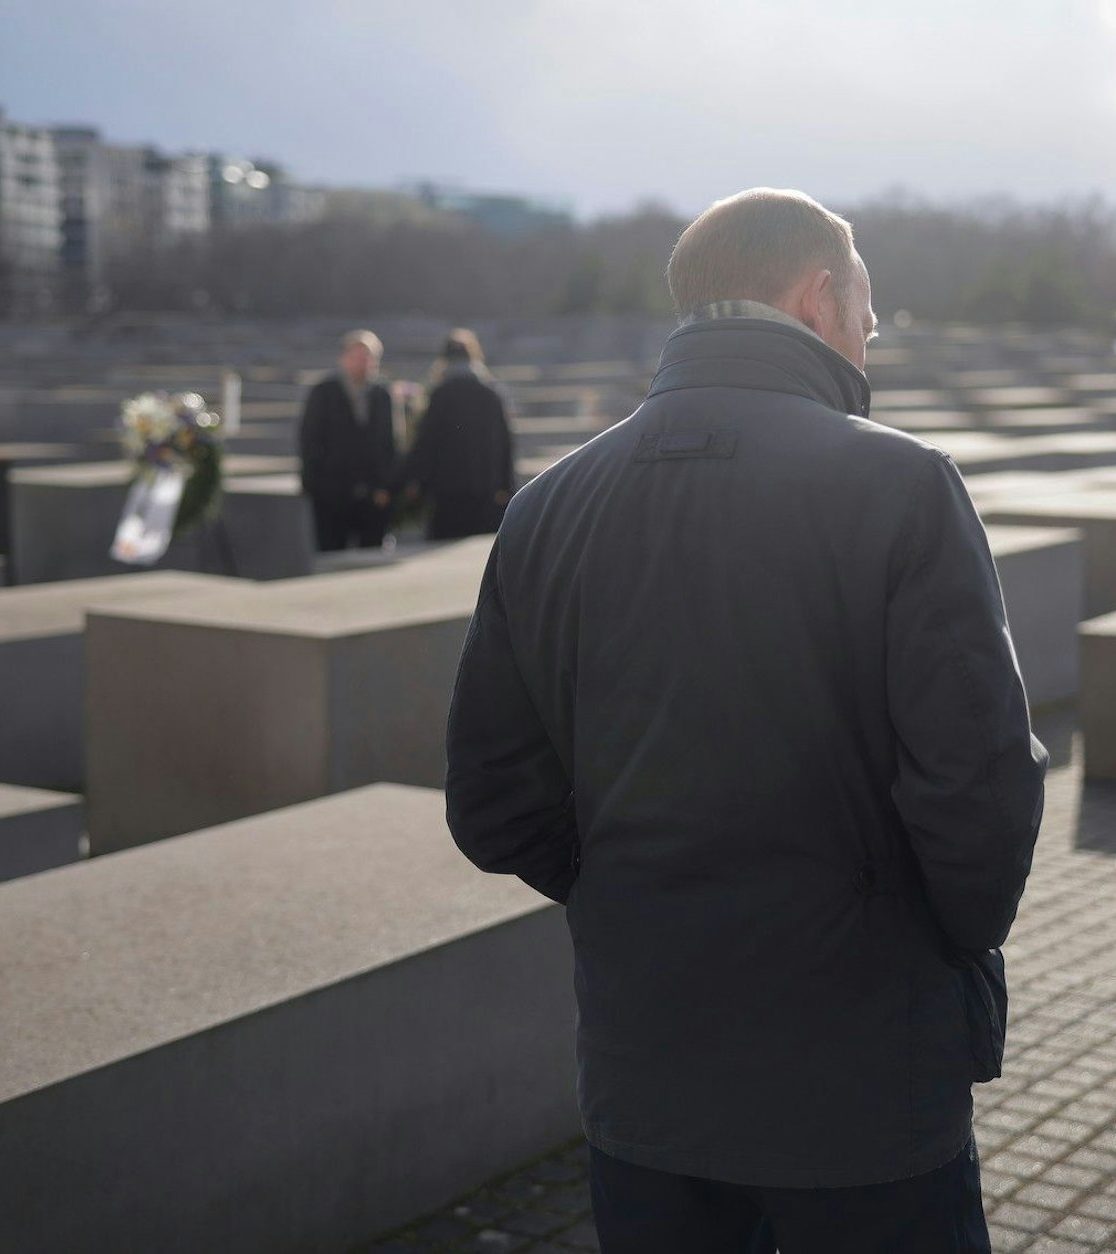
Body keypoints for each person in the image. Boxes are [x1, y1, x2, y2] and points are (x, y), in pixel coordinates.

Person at [445, 188, 1046, 1253]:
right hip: (860, 1084)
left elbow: (494, 805)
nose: (872, 333)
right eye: (869, 306)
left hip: (645, 1077)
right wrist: (924, 943)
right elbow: (980, 787)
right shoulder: (902, 485)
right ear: (819, 296)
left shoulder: (546, 506)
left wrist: (630, 895)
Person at [395, 328, 516, 540]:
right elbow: (505, 442)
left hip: (447, 491)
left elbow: (426, 443)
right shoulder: (490, 394)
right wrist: (507, 485)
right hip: (484, 488)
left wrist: (414, 481)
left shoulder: (440, 394)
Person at [297, 328, 398, 551]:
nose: (363, 363)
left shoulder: (383, 396)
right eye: (357, 357)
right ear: (343, 359)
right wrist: (315, 485)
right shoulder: (323, 392)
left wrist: (386, 487)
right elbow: (309, 440)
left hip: (373, 496)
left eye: (369, 358)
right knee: (331, 554)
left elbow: (390, 444)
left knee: (372, 556)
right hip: (332, 495)